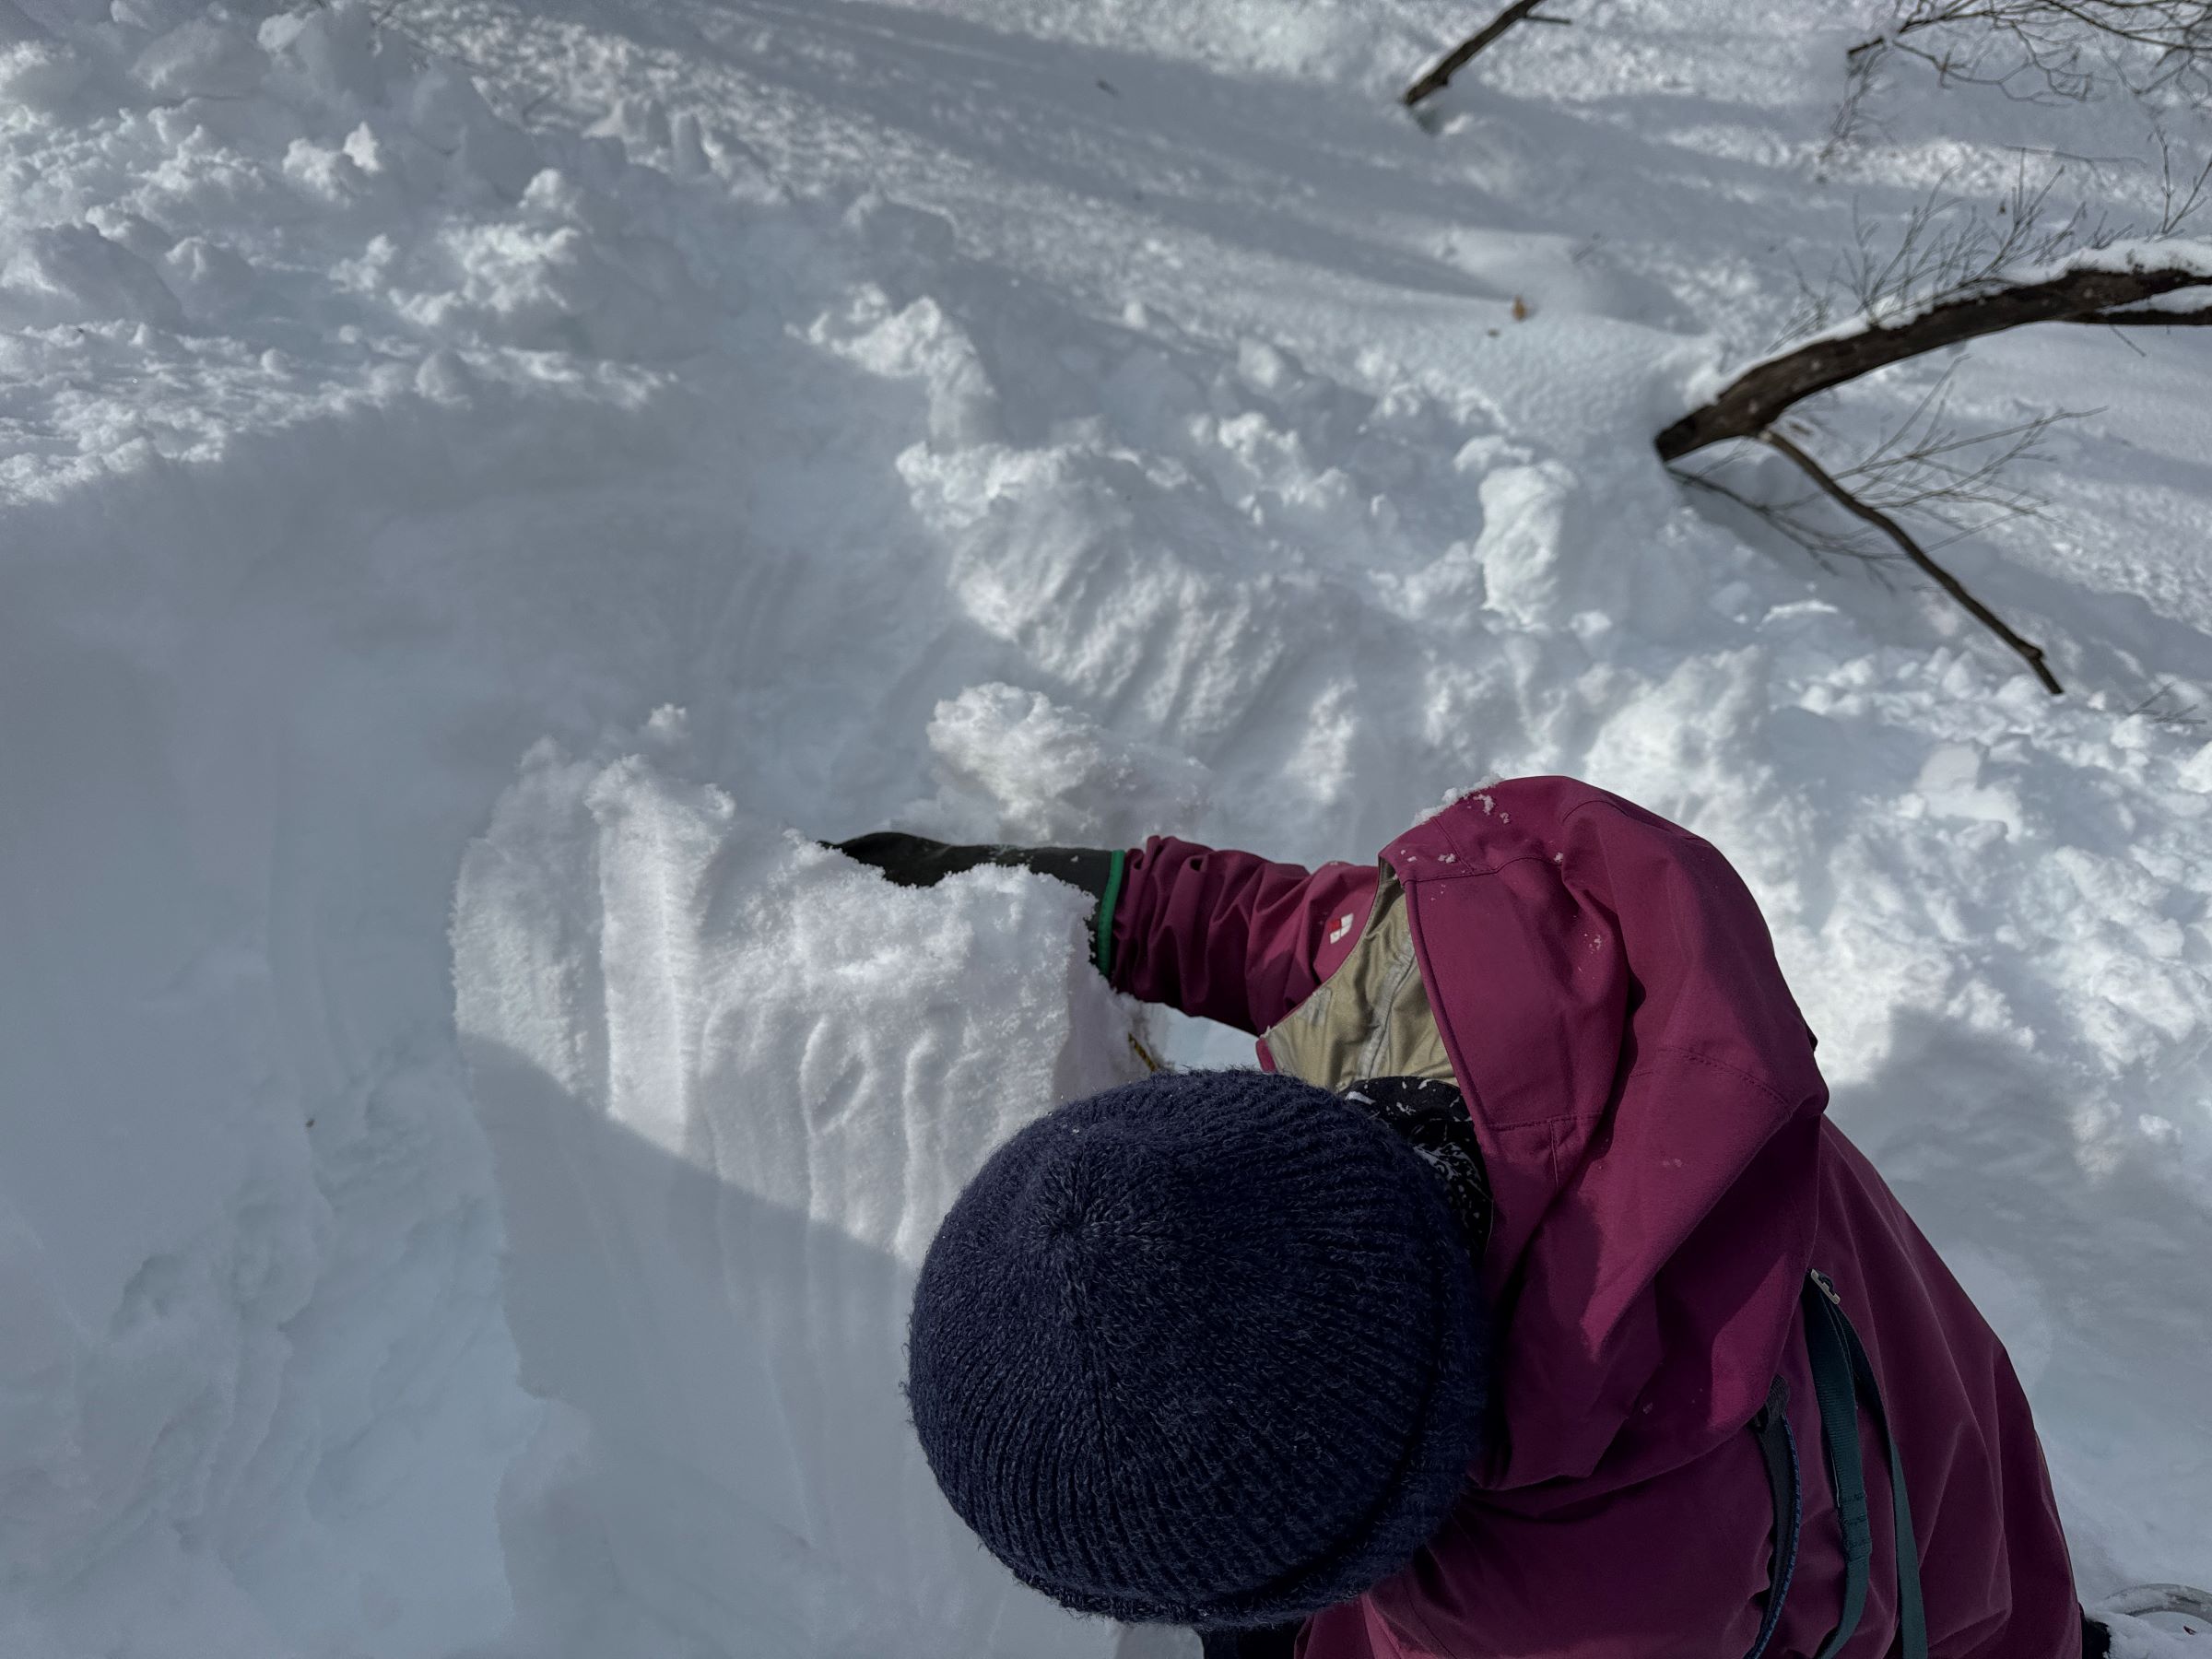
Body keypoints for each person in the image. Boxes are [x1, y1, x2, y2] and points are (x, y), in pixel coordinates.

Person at [836, 777, 2102, 1659]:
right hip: (1929, 1410)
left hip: (1943, 1596)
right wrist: (1107, 901)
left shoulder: (1576, 1614)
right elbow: (1328, 947)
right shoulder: (1508, 1040)